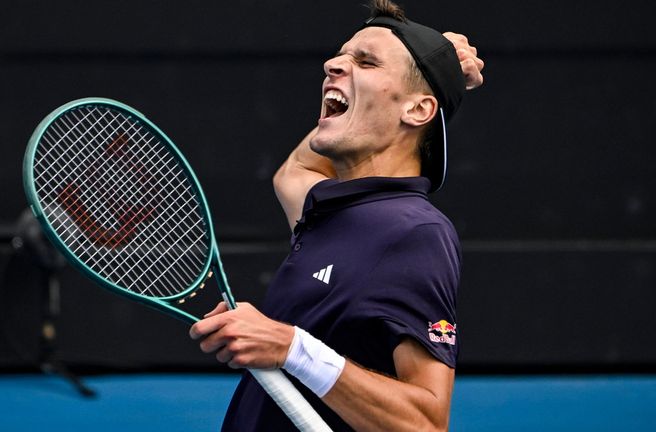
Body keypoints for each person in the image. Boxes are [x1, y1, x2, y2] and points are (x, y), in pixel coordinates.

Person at [190, 0, 484, 430]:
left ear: (419, 110)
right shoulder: (331, 206)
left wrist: (291, 348)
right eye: (340, 55)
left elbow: (425, 423)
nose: (331, 64)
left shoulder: (413, 233)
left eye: (365, 62)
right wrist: (436, 66)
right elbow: (296, 170)